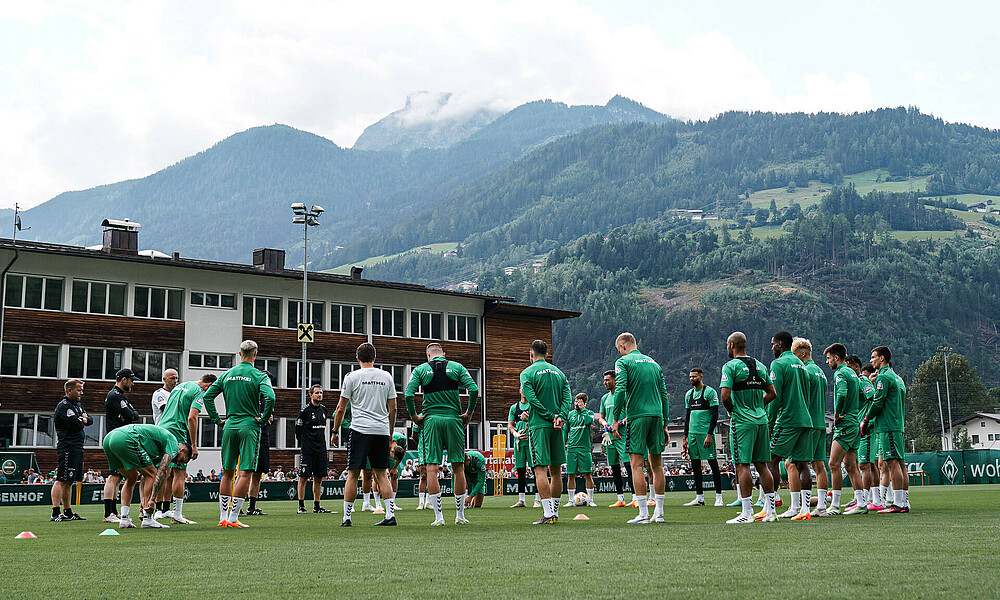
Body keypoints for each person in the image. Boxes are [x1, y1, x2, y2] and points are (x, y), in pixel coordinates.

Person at [199, 340, 276, 528]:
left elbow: (208, 396)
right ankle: (233, 518)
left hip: (230, 425)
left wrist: (217, 420)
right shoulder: (259, 375)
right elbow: (271, 397)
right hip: (249, 425)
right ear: (255, 354)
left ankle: (222, 517)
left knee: (227, 472)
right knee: (245, 472)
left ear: (239, 354)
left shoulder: (227, 374)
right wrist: (264, 418)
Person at [404, 342, 478, 526]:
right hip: (454, 420)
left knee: (431, 468)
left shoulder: (421, 369)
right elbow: (474, 389)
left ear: (427, 355)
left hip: (431, 422)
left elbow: (408, 394)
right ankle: (460, 515)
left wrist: (414, 416)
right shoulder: (457, 367)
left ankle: (439, 517)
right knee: (458, 467)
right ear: (444, 354)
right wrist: (468, 413)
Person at [334, 342, 398, 526]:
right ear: (375, 358)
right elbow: (393, 408)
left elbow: (341, 408)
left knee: (353, 474)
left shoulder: (351, 377)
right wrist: (390, 431)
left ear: (357, 358)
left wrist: (335, 430)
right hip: (381, 431)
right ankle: (390, 515)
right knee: (382, 474)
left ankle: (347, 518)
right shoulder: (386, 376)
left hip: (360, 430)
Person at [718, 333, 778, 524]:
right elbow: (772, 393)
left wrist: (732, 411)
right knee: (762, 465)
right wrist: (759, 405)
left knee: (742, 465)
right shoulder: (760, 365)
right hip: (761, 419)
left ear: (732, 344)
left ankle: (747, 513)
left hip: (742, 421)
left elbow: (725, 396)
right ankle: (770, 511)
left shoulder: (731, 366)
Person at [611, 332, 670, 524]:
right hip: (657, 416)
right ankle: (659, 513)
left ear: (623, 347)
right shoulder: (655, 364)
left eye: (619, 350)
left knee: (636, 464)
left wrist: (615, 419)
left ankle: (643, 513)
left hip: (637, 416)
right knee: (657, 464)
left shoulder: (624, 362)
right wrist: (665, 423)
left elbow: (619, 390)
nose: (619, 353)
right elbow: (664, 395)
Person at [102, 423, 192, 528]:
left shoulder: (157, 452)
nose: (176, 462)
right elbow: (161, 471)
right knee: (153, 474)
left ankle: (125, 519)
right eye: (180, 460)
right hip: (126, 437)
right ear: (182, 449)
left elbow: (145, 477)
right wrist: (152, 500)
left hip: (109, 439)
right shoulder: (173, 443)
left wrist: (143, 503)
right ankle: (148, 518)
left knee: (132, 477)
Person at [521, 339, 572, 525]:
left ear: (531, 354)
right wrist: (561, 416)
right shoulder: (559, 373)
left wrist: (549, 416)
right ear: (547, 355)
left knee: (540, 469)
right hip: (558, 425)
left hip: (540, 425)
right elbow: (568, 397)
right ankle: (555, 513)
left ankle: (548, 513)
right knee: (556, 470)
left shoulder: (527, 373)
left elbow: (532, 399)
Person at [157, 373, 217, 524]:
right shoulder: (199, 392)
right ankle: (177, 515)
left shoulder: (181, 386)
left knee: (160, 471)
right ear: (209, 385)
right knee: (179, 474)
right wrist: (194, 446)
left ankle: (151, 511)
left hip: (162, 429)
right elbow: (192, 418)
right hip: (177, 431)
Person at [768, 331, 813, 521]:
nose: (771, 348)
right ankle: (805, 510)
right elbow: (808, 393)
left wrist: (769, 422)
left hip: (787, 419)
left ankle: (769, 509)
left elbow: (775, 395)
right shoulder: (802, 365)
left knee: (771, 460)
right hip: (805, 419)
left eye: (773, 344)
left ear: (780, 344)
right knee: (802, 464)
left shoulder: (778, 364)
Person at [862, 346, 909, 513]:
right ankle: (904, 501)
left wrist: (866, 419)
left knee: (892, 463)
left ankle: (898, 504)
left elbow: (878, 402)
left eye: (873, 357)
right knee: (900, 463)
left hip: (888, 425)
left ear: (882, 358)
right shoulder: (897, 378)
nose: (871, 360)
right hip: (897, 424)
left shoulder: (884, 377)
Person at [822, 343, 864, 516]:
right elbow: (863, 395)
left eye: (828, 358)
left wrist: (838, 414)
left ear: (836, 358)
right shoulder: (853, 374)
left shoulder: (840, 373)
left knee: (833, 464)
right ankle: (861, 503)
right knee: (851, 465)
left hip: (845, 425)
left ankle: (835, 505)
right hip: (854, 423)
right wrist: (855, 412)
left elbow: (842, 394)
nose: (827, 362)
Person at [791, 338, 830, 517]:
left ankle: (797, 507)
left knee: (792, 463)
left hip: (808, 424)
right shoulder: (821, 371)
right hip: (821, 423)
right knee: (819, 465)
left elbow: (803, 398)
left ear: (802, 353)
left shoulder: (805, 371)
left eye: (794, 354)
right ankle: (821, 506)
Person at [51, 379, 92, 522]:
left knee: (69, 480)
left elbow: (90, 420)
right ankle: (56, 512)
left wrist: (83, 419)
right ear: (70, 391)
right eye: (79, 390)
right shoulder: (64, 406)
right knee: (61, 479)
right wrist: (83, 420)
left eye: (82, 390)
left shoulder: (78, 406)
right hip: (67, 446)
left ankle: (68, 511)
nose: (82, 393)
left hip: (77, 446)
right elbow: (76, 424)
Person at [682, 368, 724, 507]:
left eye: (694, 377)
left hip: (705, 434)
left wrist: (709, 434)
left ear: (701, 376)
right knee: (695, 465)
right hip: (693, 434)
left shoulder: (709, 392)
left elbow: (715, 415)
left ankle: (719, 497)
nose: (691, 379)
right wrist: (685, 436)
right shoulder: (689, 394)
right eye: (690, 377)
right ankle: (699, 497)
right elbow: (687, 417)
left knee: (713, 464)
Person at [102, 368, 140, 523]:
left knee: (117, 477)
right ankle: (108, 513)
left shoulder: (119, 396)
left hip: (116, 438)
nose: (132, 383)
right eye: (131, 380)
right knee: (113, 476)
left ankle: (113, 511)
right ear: (123, 379)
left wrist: (129, 415)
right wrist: (129, 415)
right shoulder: (116, 396)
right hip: (116, 439)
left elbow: (133, 415)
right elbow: (131, 415)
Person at [596, 370, 633, 507]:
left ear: (615, 380)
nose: (605, 382)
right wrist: (605, 423)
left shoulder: (623, 396)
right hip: (610, 437)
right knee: (614, 467)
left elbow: (629, 415)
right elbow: (601, 417)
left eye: (607, 380)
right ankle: (621, 499)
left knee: (629, 466)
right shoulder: (604, 398)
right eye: (604, 380)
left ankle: (635, 497)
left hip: (622, 435)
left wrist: (619, 423)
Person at [296, 384, 332, 514]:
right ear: (310, 395)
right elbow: (298, 430)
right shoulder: (304, 411)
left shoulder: (324, 410)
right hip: (308, 450)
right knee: (304, 477)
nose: (319, 395)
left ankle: (317, 506)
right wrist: (303, 444)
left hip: (321, 449)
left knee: (318, 478)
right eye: (317, 393)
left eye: (321, 393)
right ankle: (301, 506)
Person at [850, 361, 878, 513]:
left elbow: (874, 398)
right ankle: (866, 499)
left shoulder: (862, 381)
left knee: (865, 465)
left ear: (855, 367)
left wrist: (867, 420)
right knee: (866, 465)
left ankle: (865, 500)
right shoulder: (856, 382)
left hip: (865, 428)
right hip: (858, 426)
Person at [151, 369, 178, 519]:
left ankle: (167, 507)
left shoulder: (176, 394)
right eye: (172, 378)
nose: (175, 381)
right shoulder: (159, 394)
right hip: (162, 435)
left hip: (174, 435)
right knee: (163, 471)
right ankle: (158, 507)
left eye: (176, 378)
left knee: (172, 473)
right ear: (165, 379)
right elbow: (167, 410)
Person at [563, 393, 596, 507]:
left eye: (579, 401)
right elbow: (565, 431)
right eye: (576, 401)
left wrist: (583, 409)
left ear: (584, 403)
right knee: (571, 475)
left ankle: (591, 500)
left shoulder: (589, 413)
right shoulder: (570, 415)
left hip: (584, 448)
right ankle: (571, 500)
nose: (576, 403)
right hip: (572, 448)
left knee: (588, 474)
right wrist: (563, 445)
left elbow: (588, 421)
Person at [248, 391, 275, 516]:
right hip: (250, 437)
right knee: (245, 472)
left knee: (258, 474)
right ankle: (237, 506)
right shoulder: (250, 396)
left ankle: (251, 507)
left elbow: (271, 418)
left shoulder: (268, 400)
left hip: (264, 437)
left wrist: (268, 418)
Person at [507, 391, 533, 508]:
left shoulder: (533, 405)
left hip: (532, 442)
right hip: (519, 443)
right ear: (519, 390)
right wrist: (515, 434)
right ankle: (521, 499)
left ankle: (538, 499)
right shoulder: (514, 407)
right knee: (520, 470)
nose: (524, 391)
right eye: (522, 388)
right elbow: (510, 424)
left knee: (535, 469)